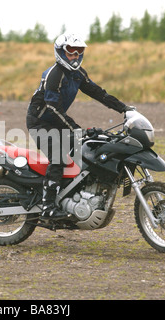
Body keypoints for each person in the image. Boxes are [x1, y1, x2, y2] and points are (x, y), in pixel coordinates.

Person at [26, 33, 134, 220]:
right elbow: (52, 107)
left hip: (57, 120)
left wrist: (125, 109)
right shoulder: (54, 75)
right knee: (59, 157)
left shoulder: (78, 74)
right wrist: (76, 128)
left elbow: (99, 93)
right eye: (71, 52)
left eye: (79, 52)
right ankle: (47, 207)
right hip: (40, 122)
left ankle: (70, 196)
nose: (75, 56)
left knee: (85, 151)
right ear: (60, 52)